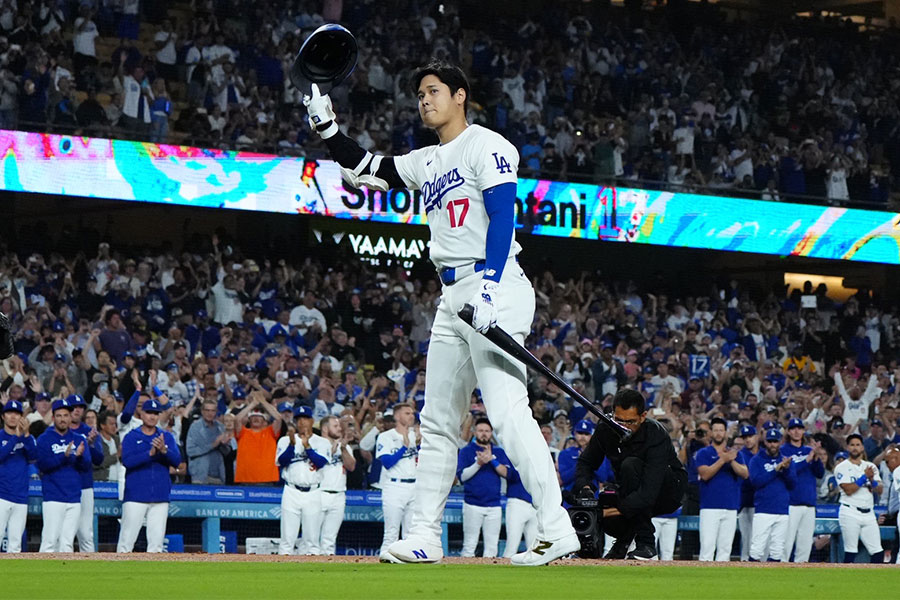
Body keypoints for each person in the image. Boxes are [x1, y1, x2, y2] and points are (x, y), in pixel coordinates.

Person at [304, 60, 578, 566]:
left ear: (460, 96)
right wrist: (329, 129)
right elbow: (365, 167)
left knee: (506, 411)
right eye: (420, 93)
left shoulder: (488, 145)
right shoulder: (426, 159)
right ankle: (426, 535)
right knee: (436, 421)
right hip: (451, 296)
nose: (424, 99)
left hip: (494, 283)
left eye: (433, 91)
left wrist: (492, 287)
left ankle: (557, 528)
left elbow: (502, 216)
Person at [575, 389, 687, 560]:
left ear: (643, 416)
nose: (623, 427)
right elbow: (586, 462)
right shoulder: (606, 429)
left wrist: (614, 510)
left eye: (630, 422)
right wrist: (586, 487)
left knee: (630, 466)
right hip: (631, 487)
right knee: (606, 500)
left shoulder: (656, 434)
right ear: (612, 415)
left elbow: (649, 492)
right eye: (619, 421)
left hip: (668, 489)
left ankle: (646, 544)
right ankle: (621, 543)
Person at [116, 399, 182, 553]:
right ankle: (118, 574)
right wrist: (150, 454)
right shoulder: (132, 436)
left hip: (159, 496)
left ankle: (154, 576)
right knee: (126, 542)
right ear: (142, 414)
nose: (152, 417)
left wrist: (164, 451)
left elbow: (177, 461)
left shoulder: (165, 437)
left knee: (156, 545)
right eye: (149, 413)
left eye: (155, 413)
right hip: (136, 496)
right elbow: (127, 461)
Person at [37, 398, 91, 552]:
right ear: (53, 418)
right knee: (49, 542)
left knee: (67, 544)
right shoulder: (44, 439)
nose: (62, 419)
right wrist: (65, 456)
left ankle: (64, 575)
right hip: (53, 497)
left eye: (66, 415)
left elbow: (86, 466)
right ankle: (43, 575)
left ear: (70, 417)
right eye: (59, 416)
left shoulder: (79, 439)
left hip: (74, 497)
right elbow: (43, 465)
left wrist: (79, 456)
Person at [276, 405, 328, 555]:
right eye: (299, 419)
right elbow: (282, 462)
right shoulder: (285, 441)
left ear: (312, 421)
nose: (302, 422)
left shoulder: (322, 442)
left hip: (313, 492)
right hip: (291, 491)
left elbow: (321, 463)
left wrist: (308, 447)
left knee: (312, 541)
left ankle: (314, 575)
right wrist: (292, 445)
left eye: (305, 419)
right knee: (287, 539)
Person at [457, 417, 511, 558]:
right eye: (481, 430)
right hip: (472, 504)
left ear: (491, 433)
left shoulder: (498, 452)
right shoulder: (466, 451)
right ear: (475, 432)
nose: (484, 434)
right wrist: (479, 463)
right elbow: (462, 477)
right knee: (469, 546)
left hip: (494, 505)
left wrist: (492, 460)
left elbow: (506, 473)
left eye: (487, 431)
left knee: (492, 548)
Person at [696, 417, 749, 561]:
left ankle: (721, 581)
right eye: (716, 430)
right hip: (710, 507)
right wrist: (722, 460)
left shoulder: (736, 454)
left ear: (726, 432)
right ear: (711, 433)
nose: (719, 433)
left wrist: (731, 460)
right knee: (707, 547)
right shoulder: (704, 453)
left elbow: (745, 473)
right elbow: (705, 474)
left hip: (730, 506)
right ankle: (703, 580)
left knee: (725, 549)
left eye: (721, 430)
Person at [375, 403, 419, 562]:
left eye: (412, 413)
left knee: (410, 532)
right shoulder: (386, 436)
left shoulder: (416, 437)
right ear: (397, 416)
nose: (411, 416)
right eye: (407, 413)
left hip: (414, 486)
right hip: (394, 486)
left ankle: (407, 561)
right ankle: (385, 561)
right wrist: (404, 448)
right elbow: (386, 462)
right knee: (391, 531)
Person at [780, 418, 825, 562]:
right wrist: (807, 460)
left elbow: (819, 473)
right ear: (788, 431)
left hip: (809, 503)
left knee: (805, 545)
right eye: (793, 428)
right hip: (791, 503)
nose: (796, 431)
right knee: (786, 543)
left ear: (803, 431)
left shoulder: (808, 450)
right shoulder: (783, 450)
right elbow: (788, 471)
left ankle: (800, 573)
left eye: (799, 428)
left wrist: (816, 457)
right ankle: (779, 570)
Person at [834, 433, 884, 563]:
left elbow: (879, 490)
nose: (855, 448)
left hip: (868, 513)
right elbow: (849, 490)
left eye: (858, 445)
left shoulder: (870, 466)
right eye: (852, 445)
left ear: (862, 447)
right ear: (847, 447)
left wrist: (872, 480)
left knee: (877, 551)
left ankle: (874, 581)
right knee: (851, 551)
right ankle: (846, 581)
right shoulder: (841, 467)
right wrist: (864, 478)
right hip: (850, 511)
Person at [748, 428, 795, 561]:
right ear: (765, 442)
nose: (773, 444)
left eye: (775, 441)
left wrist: (785, 470)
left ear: (780, 442)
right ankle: (749, 579)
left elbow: (793, 484)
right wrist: (776, 469)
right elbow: (756, 481)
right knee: (757, 549)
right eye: (770, 441)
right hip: (763, 509)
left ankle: (772, 580)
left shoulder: (786, 460)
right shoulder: (756, 460)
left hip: (782, 509)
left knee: (777, 550)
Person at [67, 394, 104, 552]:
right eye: (73, 407)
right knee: (61, 533)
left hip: (85, 486)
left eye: (80, 407)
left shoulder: (90, 431)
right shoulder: (58, 431)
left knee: (86, 533)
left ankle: (89, 569)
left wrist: (90, 445)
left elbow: (99, 459)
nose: (77, 410)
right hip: (63, 486)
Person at [0, 400, 37, 553]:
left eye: (17, 413)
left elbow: (34, 457)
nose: (13, 417)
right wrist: (16, 437)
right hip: (1, 495)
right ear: (3, 416)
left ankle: (10, 576)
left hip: (21, 496)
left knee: (15, 544)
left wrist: (26, 435)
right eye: (9, 413)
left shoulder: (28, 438)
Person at [318, 415, 356, 555]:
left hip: (339, 494)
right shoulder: (316, 443)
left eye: (340, 426)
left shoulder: (343, 445)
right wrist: (332, 450)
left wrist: (344, 448)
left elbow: (351, 466)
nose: (339, 429)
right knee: (312, 538)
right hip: (319, 493)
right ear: (325, 428)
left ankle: (324, 572)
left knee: (329, 539)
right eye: (335, 426)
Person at [233, 392, 281, 484]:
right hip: (245, 479)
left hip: (267, 479)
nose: (256, 419)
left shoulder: (270, 432)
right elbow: (237, 419)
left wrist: (263, 402)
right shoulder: (243, 432)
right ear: (249, 420)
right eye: (253, 417)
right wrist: (253, 404)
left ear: (264, 420)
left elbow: (278, 418)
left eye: (259, 417)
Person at [186, 399, 228, 484]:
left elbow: (227, 452)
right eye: (207, 410)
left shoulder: (221, 427)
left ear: (216, 412)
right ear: (202, 411)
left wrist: (224, 445)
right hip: (200, 475)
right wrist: (213, 444)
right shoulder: (195, 427)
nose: (210, 413)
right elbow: (190, 451)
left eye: (213, 411)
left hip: (218, 475)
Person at [501, 461, 538, 558]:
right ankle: (505, 572)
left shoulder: (537, 457)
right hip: (517, 503)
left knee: (534, 548)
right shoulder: (514, 455)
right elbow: (512, 475)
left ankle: (535, 573)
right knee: (512, 546)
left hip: (535, 504)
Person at [736, 424, 759, 561]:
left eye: (750, 436)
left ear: (756, 437)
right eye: (745, 438)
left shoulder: (763, 454)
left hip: (761, 503)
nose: (748, 440)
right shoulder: (741, 455)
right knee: (746, 539)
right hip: (745, 502)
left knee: (761, 538)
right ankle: (745, 563)